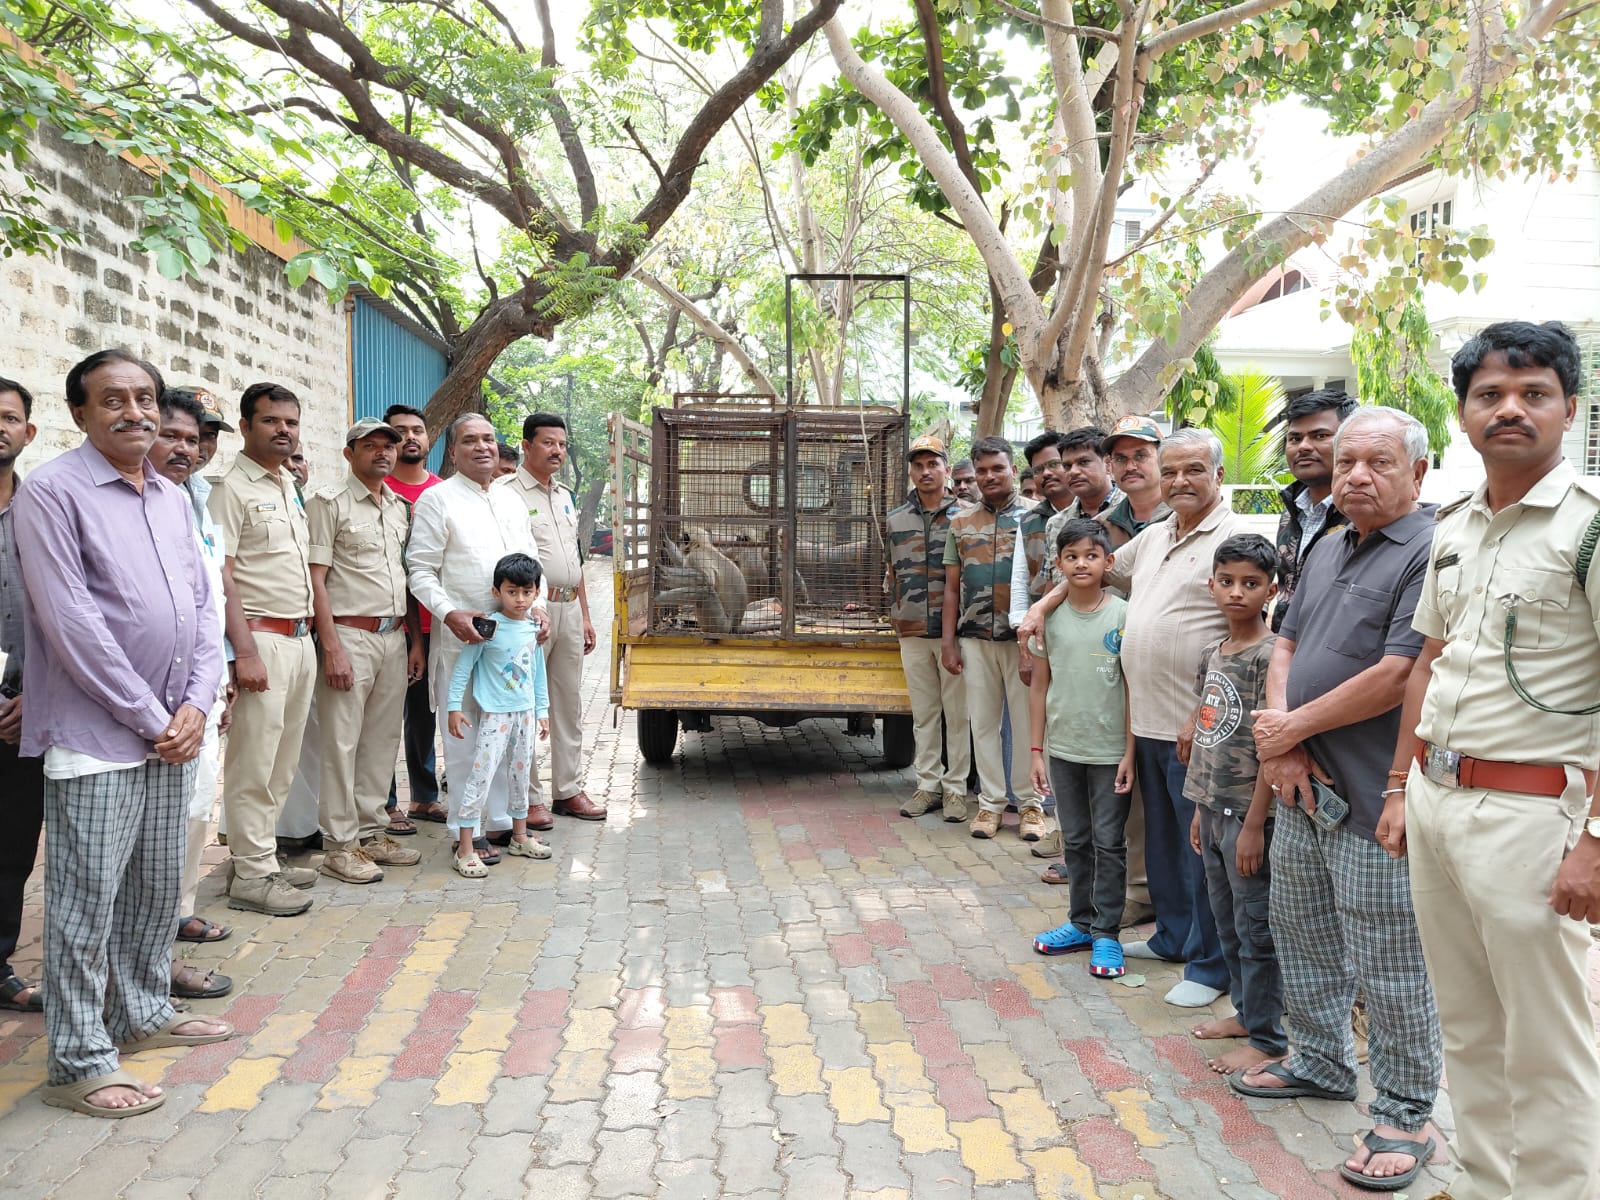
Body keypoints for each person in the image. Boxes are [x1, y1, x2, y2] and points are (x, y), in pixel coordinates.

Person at [1383, 321, 1600, 1200]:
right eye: (1489, 395)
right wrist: (1400, 787)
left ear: (1570, 409)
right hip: (1438, 802)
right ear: (1465, 414)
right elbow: (1427, 665)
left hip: (1534, 815)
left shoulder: (1587, 531)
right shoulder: (1455, 527)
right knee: (1468, 1025)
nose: (1510, 409)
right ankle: (1483, 1183)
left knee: (1549, 1044)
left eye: (1533, 392)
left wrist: (1595, 840)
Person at [15, 349, 231, 1118]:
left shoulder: (173, 496)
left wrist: (199, 703)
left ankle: (140, 1010)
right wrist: (153, 717)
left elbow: (203, 609)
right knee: (84, 904)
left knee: (151, 888)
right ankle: (77, 1059)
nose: (134, 411)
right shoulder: (52, 494)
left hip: (176, 731)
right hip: (99, 738)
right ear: (79, 413)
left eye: (144, 397)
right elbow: (71, 626)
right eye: (113, 399)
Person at [1237, 406, 1441, 1193]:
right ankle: (1319, 1062)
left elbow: (1399, 673)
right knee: (1304, 932)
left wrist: (1289, 726)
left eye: (1378, 462)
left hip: (1373, 796)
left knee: (1390, 961)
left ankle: (1405, 1109)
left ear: (1418, 474)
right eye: (1347, 460)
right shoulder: (1324, 543)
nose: (1356, 474)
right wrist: (1283, 741)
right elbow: (1284, 639)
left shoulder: (1429, 550)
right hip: (1299, 789)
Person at [1024, 428, 1237, 1007]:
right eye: (1171, 472)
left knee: (1203, 850)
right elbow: (1090, 568)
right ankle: (1171, 936)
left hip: (1198, 726)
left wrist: (1206, 709)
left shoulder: (1234, 535)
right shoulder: (1157, 534)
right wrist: (1042, 605)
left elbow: (1246, 630)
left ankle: (1210, 964)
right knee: (1163, 845)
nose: (1179, 481)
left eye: (1194, 469)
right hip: (1143, 722)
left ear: (1218, 473)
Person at [407, 413, 546, 863]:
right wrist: (448, 614)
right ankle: (465, 831)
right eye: (470, 440)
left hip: (513, 644)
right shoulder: (437, 500)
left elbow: (531, 562)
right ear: (453, 450)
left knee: (509, 737)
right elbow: (421, 571)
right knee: (466, 739)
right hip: (464, 640)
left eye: (489, 439)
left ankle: (505, 822)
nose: (482, 447)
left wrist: (536, 606)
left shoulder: (508, 501)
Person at [208, 383, 319, 916]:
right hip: (262, 640)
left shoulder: (285, 485)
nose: (283, 430)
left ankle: (262, 856)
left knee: (282, 761)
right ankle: (251, 876)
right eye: (271, 421)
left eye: (291, 422)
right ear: (248, 427)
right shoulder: (231, 489)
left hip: (299, 640)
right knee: (254, 762)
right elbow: (221, 575)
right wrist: (243, 650)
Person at [306, 418, 426, 884]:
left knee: (381, 740)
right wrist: (331, 645)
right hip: (348, 635)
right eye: (370, 446)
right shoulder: (328, 503)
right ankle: (339, 844)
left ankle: (372, 831)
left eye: (388, 447)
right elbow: (316, 579)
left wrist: (415, 640)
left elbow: (406, 581)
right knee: (341, 742)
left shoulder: (399, 508)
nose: (382, 453)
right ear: (349, 453)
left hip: (394, 637)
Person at [1183, 534, 1284, 1075]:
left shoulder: (1271, 658)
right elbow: (1206, 733)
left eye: (1250, 584)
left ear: (1272, 589)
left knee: (1256, 929)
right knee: (1227, 923)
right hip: (1213, 809)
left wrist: (1253, 825)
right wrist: (1200, 807)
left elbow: (1273, 746)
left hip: (1251, 819)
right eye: (1227, 582)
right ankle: (1246, 1013)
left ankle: (1270, 1038)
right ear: (1212, 586)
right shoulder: (1211, 655)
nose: (1237, 593)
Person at [147, 391, 234, 998]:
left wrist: (215, 683)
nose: (193, 447)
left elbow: (210, 601)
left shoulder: (197, 500)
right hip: (149, 697)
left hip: (201, 686)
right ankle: (151, 953)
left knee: (198, 802)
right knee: (156, 820)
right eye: (178, 435)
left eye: (202, 437)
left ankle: (177, 912)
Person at [1028, 519, 1133, 979]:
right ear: (1059, 564)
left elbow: (1134, 689)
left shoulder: (1124, 615)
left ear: (1108, 562)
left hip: (1111, 753)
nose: (1081, 563)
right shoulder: (1048, 618)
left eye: (1091, 555)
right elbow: (1038, 688)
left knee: (1109, 843)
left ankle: (1108, 933)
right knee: (1075, 841)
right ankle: (1080, 923)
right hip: (1065, 750)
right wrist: (1036, 750)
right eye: (1071, 556)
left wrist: (1131, 752)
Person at [501, 413, 605, 825]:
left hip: (568, 611)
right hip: (530, 614)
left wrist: (586, 614)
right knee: (527, 705)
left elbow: (573, 559)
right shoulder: (508, 493)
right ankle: (528, 798)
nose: (557, 451)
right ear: (526, 446)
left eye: (562, 444)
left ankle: (569, 790)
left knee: (568, 704)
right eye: (547, 443)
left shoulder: (563, 495)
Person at [940, 437, 1044, 840]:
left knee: (1026, 724)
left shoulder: (1037, 517)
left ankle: (1031, 806)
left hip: (1024, 641)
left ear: (1013, 470)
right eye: (981, 471)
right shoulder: (961, 522)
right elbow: (951, 587)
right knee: (982, 723)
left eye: (997, 468)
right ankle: (989, 806)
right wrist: (949, 642)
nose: (988, 477)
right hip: (975, 638)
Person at [446, 553, 553, 875]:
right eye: (511, 591)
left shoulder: (534, 628)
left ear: (536, 592)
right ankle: (465, 847)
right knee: (480, 776)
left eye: (526, 592)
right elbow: (463, 668)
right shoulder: (487, 628)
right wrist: (454, 707)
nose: (519, 599)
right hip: (494, 716)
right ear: (497, 592)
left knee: (520, 777)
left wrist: (543, 710)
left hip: (525, 714)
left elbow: (537, 673)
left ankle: (519, 836)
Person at [886, 433, 968, 821]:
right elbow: (890, 572)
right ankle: (927, 786)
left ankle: (955, 791)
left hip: (956, 632)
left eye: (932, 464)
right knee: (924, 714)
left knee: (958, 713)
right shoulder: (895, 518)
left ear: (947, 470)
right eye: (918, 465)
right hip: (913, 629)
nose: (925, 471)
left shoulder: (967, 516)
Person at [383, 403, 446, 830]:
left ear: (428, 439)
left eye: (417, 430)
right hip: (390, 623)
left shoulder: (443, 492)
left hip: (436, 622)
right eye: (399, 431)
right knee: (384, 716)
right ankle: (383, 801)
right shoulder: (378, 488)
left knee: (425, 715)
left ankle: (424, 796)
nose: (410, 437)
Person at [0, 377, 42, 1014]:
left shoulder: (44, 510)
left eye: (8, 417)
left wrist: (36, 692)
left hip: (26, 702)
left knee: (12, 839)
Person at [1271, 388, 1356, 631]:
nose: (1303, 447)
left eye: (1320, 435)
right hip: (1284, 654)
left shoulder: (1362, 514)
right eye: (1295, 438)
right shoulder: (1291, 511)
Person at [1098, 416, 1169, 550]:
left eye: (1140, 456)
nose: (1130, 467)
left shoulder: (1184, 516)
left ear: (1163, 458)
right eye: (1120, 458)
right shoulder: (1101, 526)